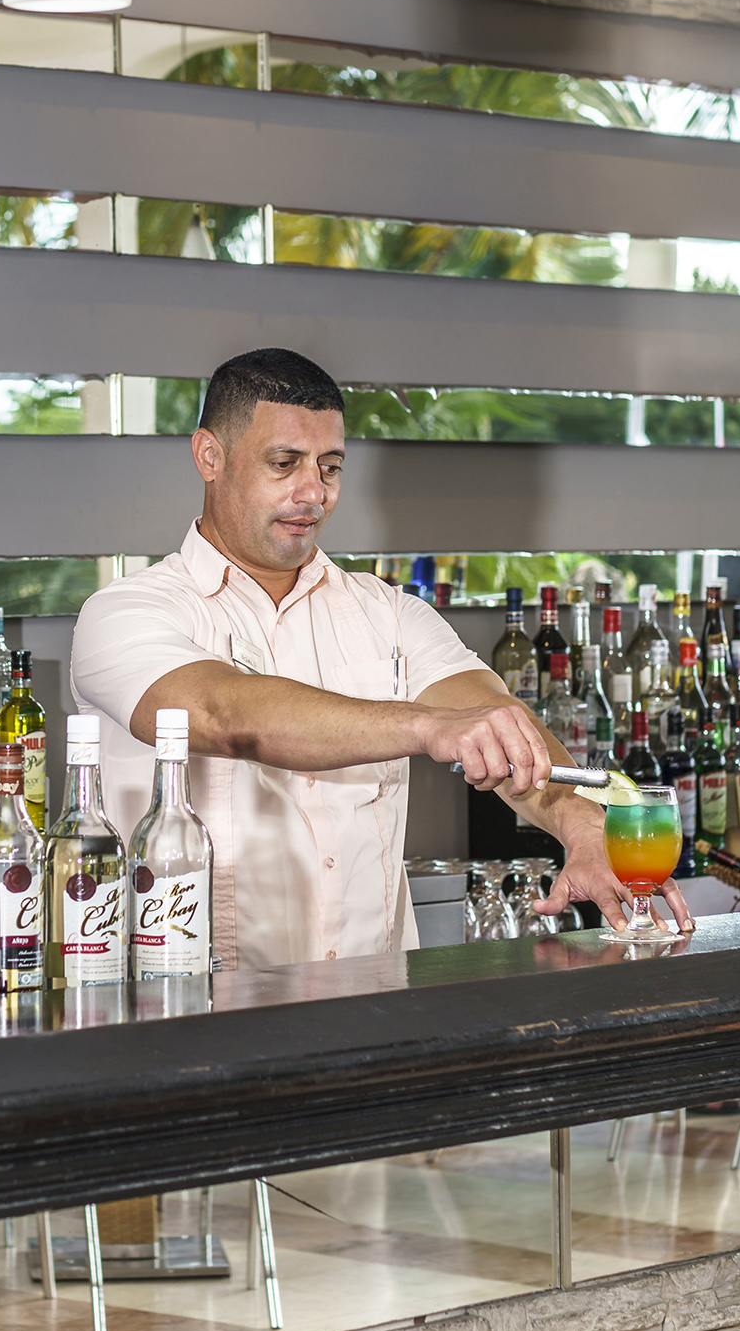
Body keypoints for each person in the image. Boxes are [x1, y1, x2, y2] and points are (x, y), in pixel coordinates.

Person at [68, 348, 675, 970]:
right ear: (210, 457)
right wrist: (426, 725)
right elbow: (223, 711)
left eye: (330, 467)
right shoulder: (124, 614)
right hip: (194, 1019)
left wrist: (579, 824)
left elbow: (494, 717)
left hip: (375, 1014)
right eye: (284, 463)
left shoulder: (388, 613)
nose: (313, 493)